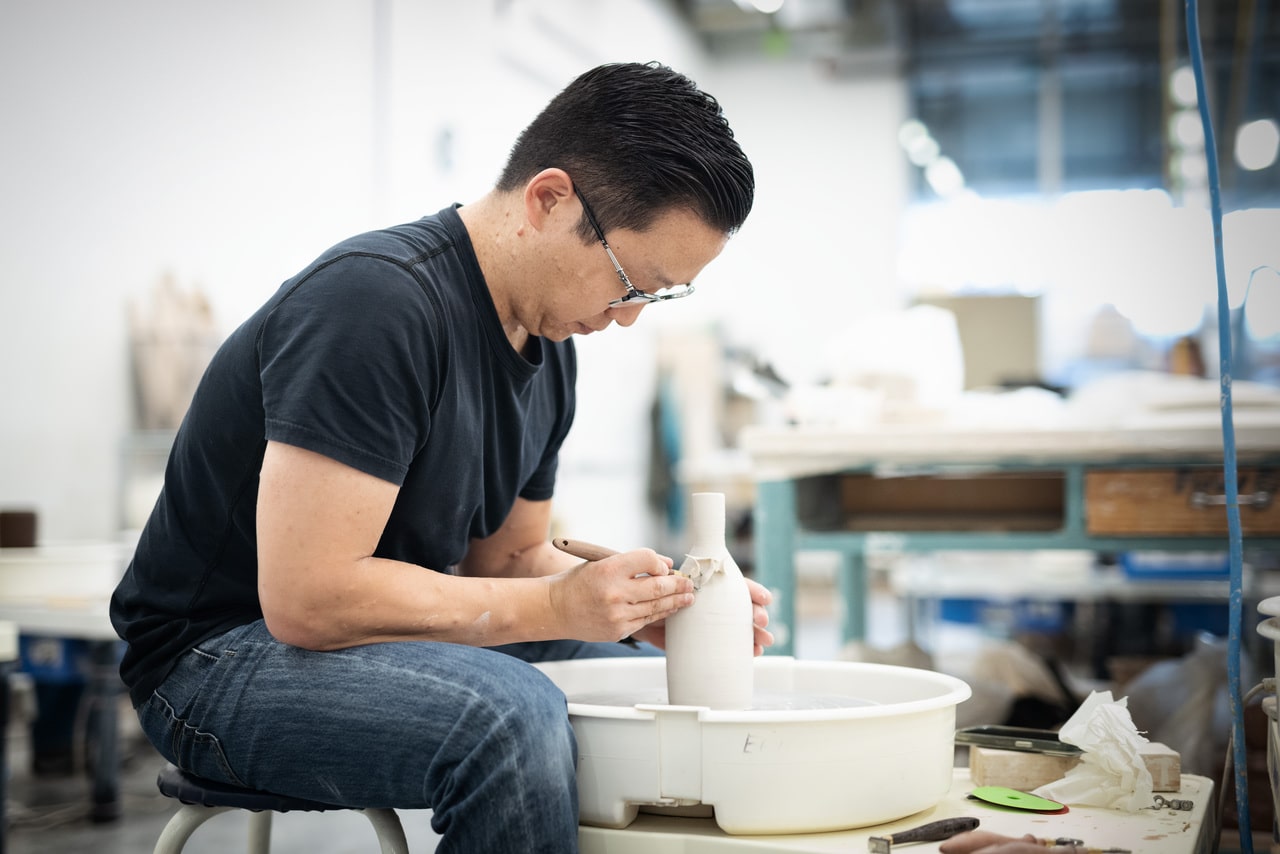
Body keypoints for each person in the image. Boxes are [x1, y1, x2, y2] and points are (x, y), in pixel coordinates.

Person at [109, 61, 770, 852]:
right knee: (508, 718)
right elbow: (308, 600)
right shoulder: (374, 304)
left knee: (629, 685)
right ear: (549, 199)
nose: (627, 319)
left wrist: (642, 604)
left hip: (363, 633)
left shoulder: (553, 344)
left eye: (657, 297)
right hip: (215, 659)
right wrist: (562, 606)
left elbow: (512, 560)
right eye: (631, 282)